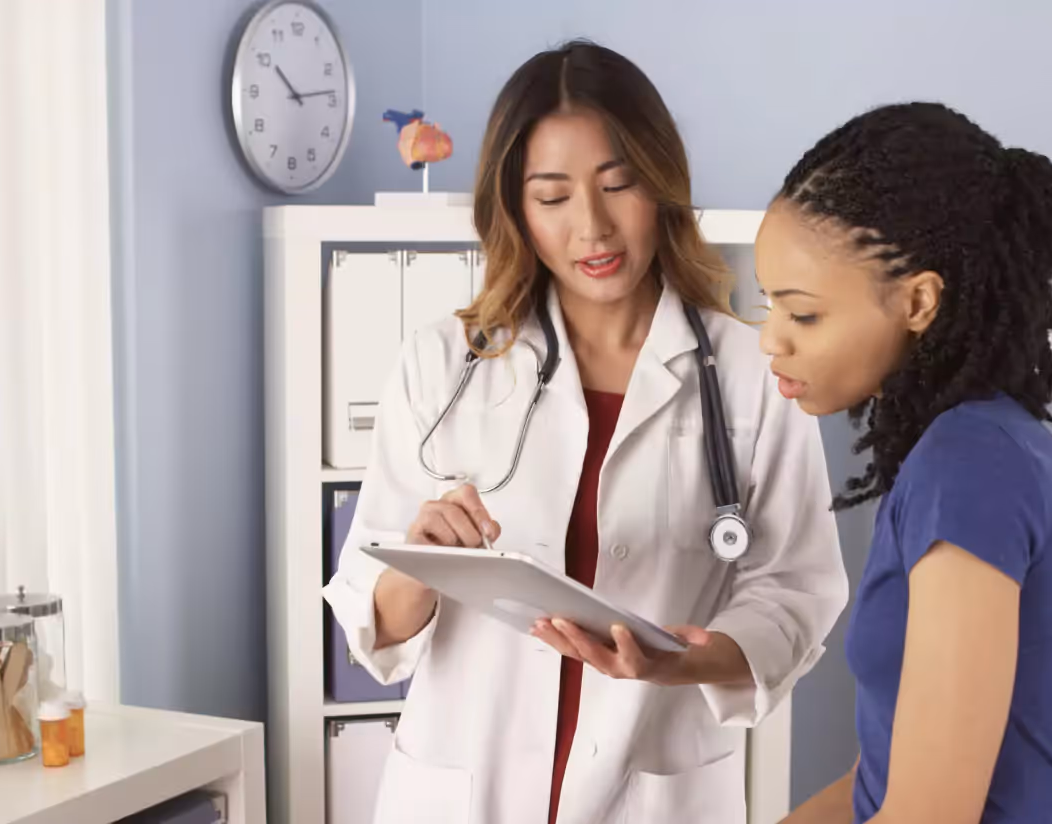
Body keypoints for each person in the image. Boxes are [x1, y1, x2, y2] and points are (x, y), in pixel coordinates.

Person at [324, 40, 847, 824]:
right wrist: (421, 562)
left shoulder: (748, 369)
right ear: (515, 206)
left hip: (655, 788)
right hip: (464, 789)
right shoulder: (443, 361)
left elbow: (796, 589)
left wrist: (686, 662)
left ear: (661, 185)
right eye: (553, 195)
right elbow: (375, 620)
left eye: (619, 184)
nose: (592, 228)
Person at [758, 102, 1052, 824]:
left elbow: (927, 815)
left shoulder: (970, 463)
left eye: (804, 314)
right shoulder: (954, 452)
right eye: (770, 307)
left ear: (917, 301)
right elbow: (877, 785)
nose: (772, 341)